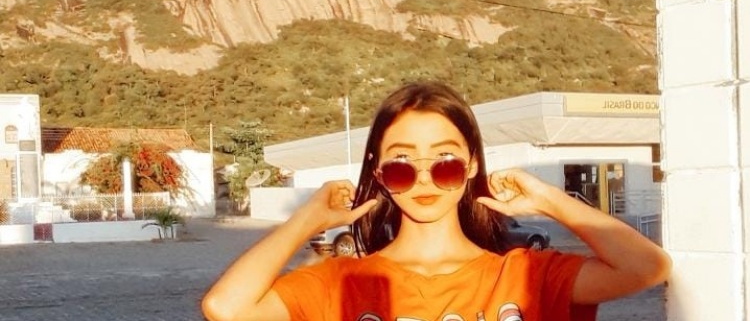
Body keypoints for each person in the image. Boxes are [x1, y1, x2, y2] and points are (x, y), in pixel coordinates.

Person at [202, 81, 671, 321]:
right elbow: (226, 308)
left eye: (445, 162)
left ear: (471, 165)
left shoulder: (524, 274)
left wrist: (549, 199)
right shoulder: (341, 282)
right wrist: (307, 219)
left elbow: (646, 267)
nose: (424, 179)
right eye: (402, 164)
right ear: (379, 173)